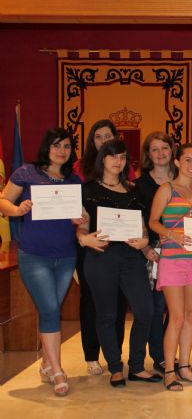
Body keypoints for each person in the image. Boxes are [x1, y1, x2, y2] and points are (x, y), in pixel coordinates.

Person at [0, 128, 82, 396]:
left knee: (52, 309)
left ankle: (47, 363)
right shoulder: (27, 172)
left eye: (67, 146)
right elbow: (3, 201)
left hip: (66, 255)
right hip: (34, 256)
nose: (62, 151)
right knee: (49, 309)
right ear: (47, 147)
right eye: (57, 145)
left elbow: (78, 217)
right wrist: (18, 209)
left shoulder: (73, 180)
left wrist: (80, 219)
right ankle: (57, 371)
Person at [76, 139, 159, 387]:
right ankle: (114, 367)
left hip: (131, 258)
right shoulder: (88, 189)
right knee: (107, 315)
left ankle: (136, 366)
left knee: (146, 310)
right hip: (100, 256)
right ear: (103, 159)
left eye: (122, 157)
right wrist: (83, 239)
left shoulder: (134, 190)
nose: (117, 161)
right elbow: (81, 224)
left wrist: (144, 243)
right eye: (112, 156)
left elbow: (142, 227)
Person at [149, 143, 192, 391]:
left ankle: (185, 367)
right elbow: (153, 222)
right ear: (177, 162)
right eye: (187, 160)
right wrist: (171, 234)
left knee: (190, 315)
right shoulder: (166, 190)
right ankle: (169, 370)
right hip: (172, 260)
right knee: (175, 318)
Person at [73, 119, 127, 376]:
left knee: (117, 301)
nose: (104, 141)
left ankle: (114, 354)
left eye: (108, 136)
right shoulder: (78, 171)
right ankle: (92, 355)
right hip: (89, 245)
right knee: (91, 301)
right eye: (98, 137)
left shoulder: (125, 174)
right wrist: (81, 230)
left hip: (119, 249)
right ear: (91, 141)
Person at [134, 131, 176, 373]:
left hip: (181, 252)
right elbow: (139, 220)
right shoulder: (140, 186)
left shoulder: (184, 180)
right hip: (153, 254)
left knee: (177, 308)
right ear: (148, 154)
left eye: (165, 148)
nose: (161, 154)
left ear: (172, 151)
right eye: (155, 149)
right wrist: (147, 248)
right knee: (157, 306)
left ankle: (169, 352)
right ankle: (159, 356)